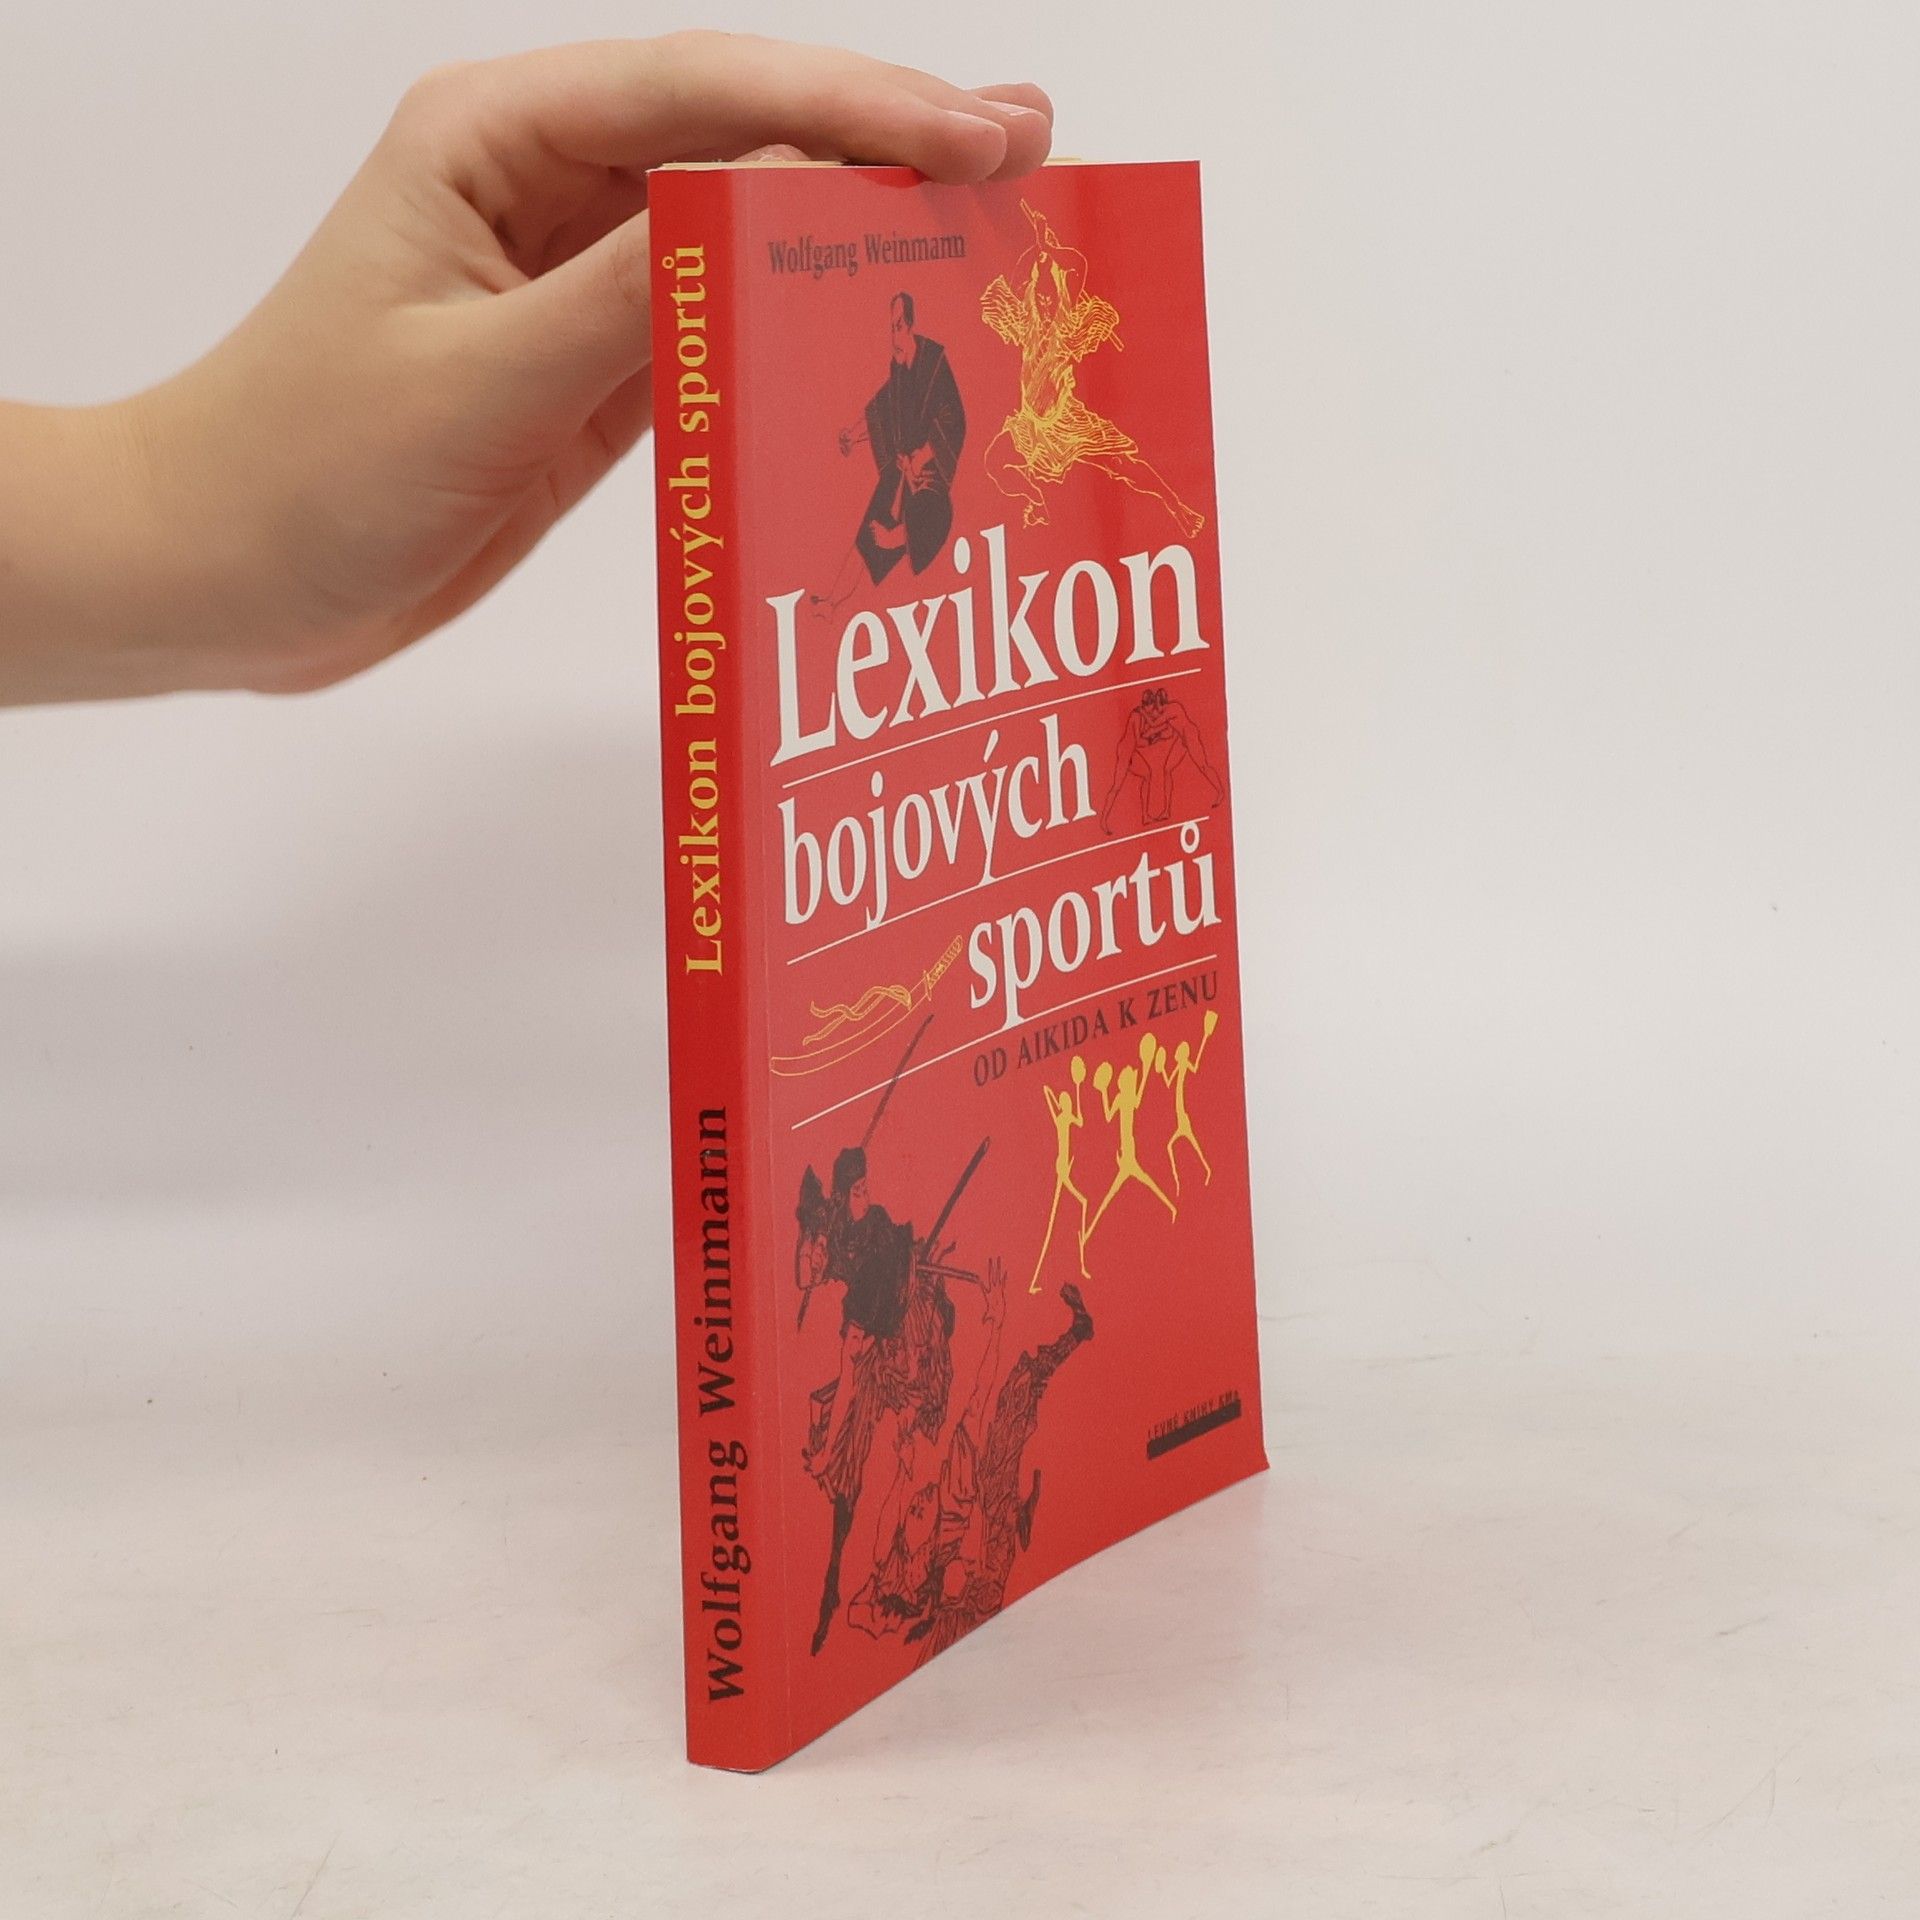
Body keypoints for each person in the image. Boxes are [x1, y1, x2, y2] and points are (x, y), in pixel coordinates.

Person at [0, 34, 1053, 706]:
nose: (899, 335)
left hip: (932, 501)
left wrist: (184, 533)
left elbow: (943, 419)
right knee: (863, 559)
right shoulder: (890, 371)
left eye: (905, 327)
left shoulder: (935, 374)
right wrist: (186, 527)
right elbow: (876, 407)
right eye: (897, 325)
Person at [811, 290, 967, 615]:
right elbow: (881, 411)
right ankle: (831, 603)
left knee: (929, 517)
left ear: (910, 325)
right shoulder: (899, 372)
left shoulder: (934, 362)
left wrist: (922, 458)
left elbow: (954, 420)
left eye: (898, 327)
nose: (893, 338)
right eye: (890, 328)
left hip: (929, 475)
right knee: (866, 536)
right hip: (901, 470)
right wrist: (852, 434)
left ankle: (897, 537)